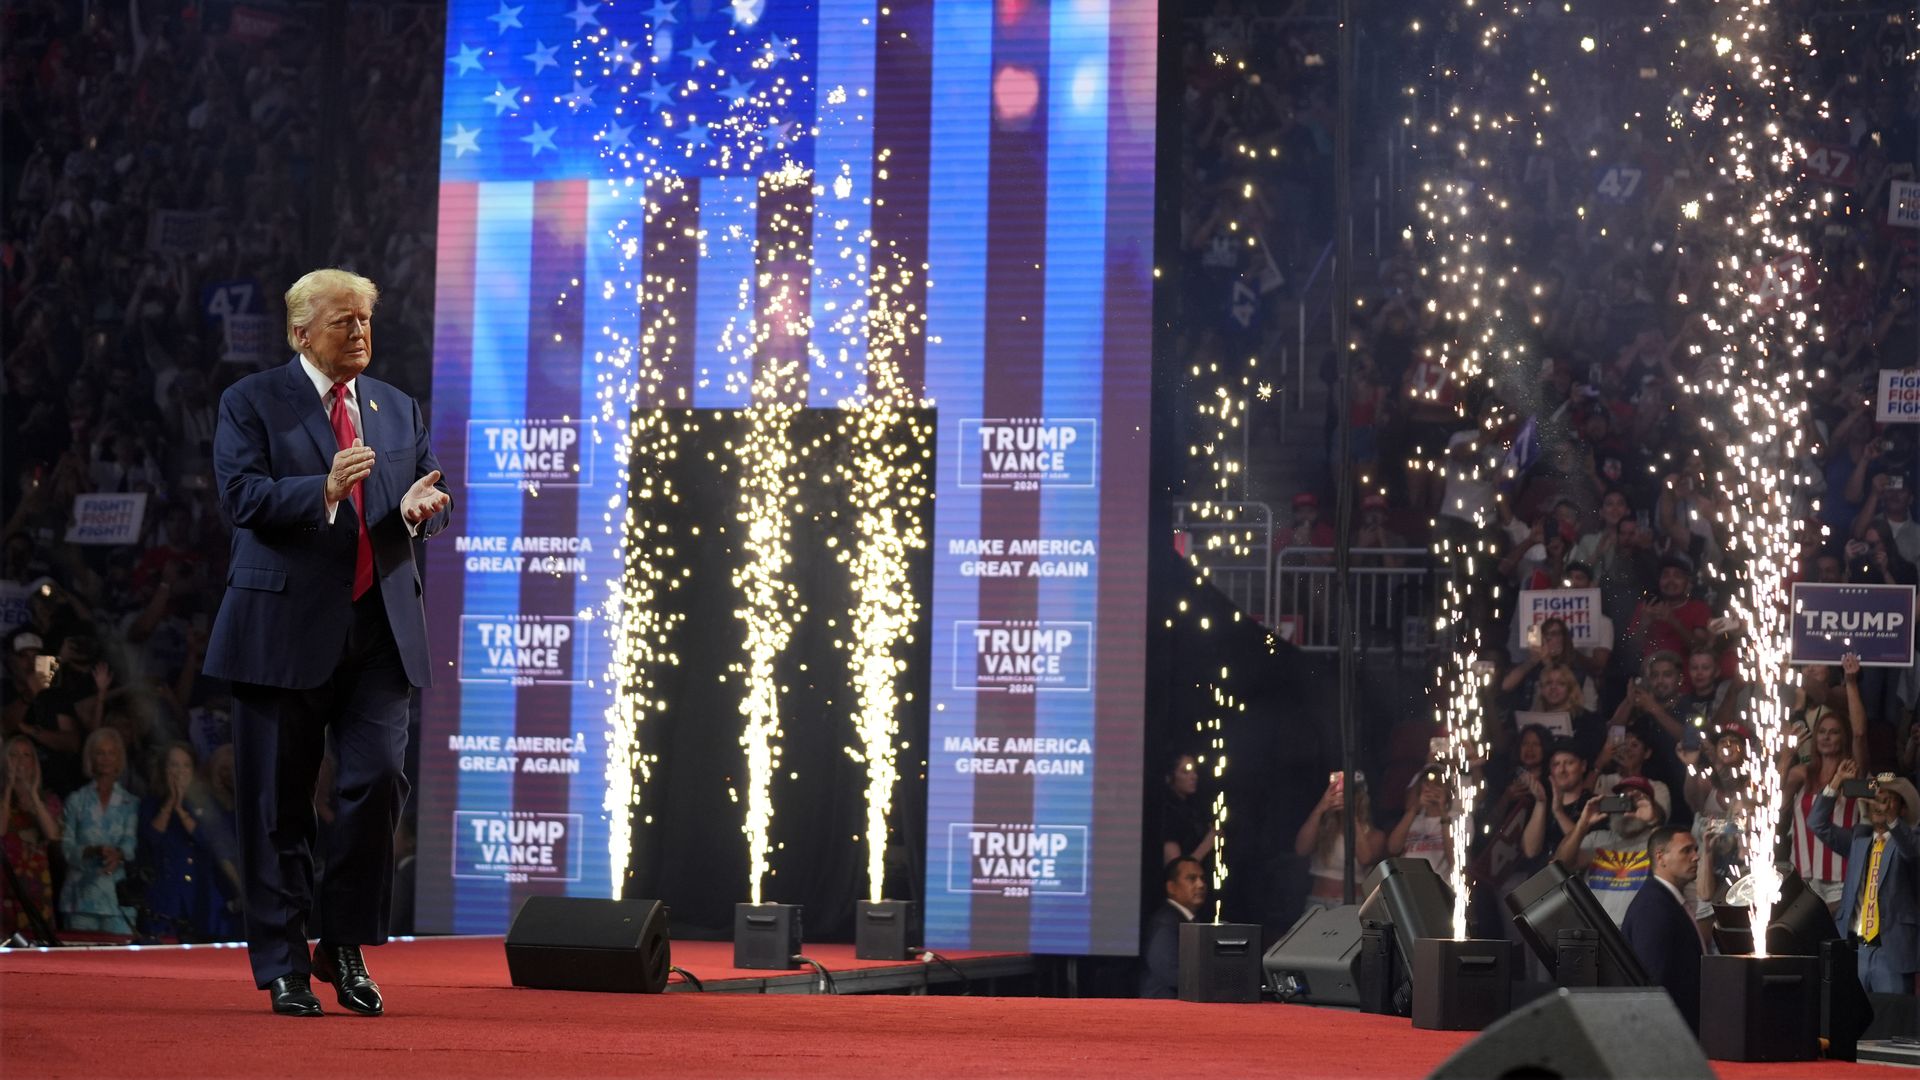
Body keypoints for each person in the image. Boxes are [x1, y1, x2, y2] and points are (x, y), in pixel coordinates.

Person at [202, 269, 452, 1018]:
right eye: (344, 322)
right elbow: (240, 497)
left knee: (377, 783)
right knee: (278, 804)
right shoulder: (250, 402)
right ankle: (281, 961)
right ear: (300, 333)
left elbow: (427, 495)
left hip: (379, 631)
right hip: (281, 632)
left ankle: (341, 943)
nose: (359, 334)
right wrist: (322, 489)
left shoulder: (396, 408)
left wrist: (420, 510)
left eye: (366, 321)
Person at [1809, 762, 1920, 993]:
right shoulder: (1859, 839)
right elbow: (1816, 823)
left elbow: (1911, 851)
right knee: (1851, 1023)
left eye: (1889, 799)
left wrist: (1892, 822)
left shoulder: (1910, 840)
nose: (1881, 804)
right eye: (1877, 798)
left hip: (1891, 954)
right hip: (1854, 951)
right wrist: (1836, 781)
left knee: (1891, 1022)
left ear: (1901, 809)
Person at [136, 743, 239, 941]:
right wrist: (170, 803)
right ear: (164, 769)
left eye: (185, 766)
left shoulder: (209, 806)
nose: (179, 772)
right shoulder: (150, 804)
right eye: (173, 765)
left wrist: (182, 811)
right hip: (164, 898)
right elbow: (151, 839)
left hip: (200, 899)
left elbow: (211, 843)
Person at [1620, 825, 1705, 1031]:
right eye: (1686, 850)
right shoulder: (1654, 907)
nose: (1696, 857)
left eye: (1695, 849)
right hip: (1670, 1030)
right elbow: (1654, 979)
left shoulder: (1664, 901)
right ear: (1661, 858)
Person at [1552, 776, 1666, 925]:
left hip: (1637, 929)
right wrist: (1582, 824)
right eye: (1621, 799)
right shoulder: (1597, 839)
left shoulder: (1657, 841)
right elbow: (1561, 864)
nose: (1627, 807)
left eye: (1634, 801)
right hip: (1594, 928)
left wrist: (1652, 820)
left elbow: (1668, 864)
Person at [58, 727, 138, 935]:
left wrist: (119, 853)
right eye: (100, 753)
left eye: (111, 753)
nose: (105, 758)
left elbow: (131, 843)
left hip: (117, 899)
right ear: (91, 758)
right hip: (80, 897)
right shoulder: (77, 800)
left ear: (119, 758)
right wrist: (92, 851)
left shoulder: (131, 802)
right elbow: (66, 847)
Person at [1, 734, 63, 940]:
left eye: (26, 755)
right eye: (14, 755)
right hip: (5, 891)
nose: (20, 760)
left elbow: (53, 835)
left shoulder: (49, 800)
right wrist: (9, 788)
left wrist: (34, 795)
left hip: (37, 892)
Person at [1296, 772, 1384, 909]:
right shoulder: (1322, 828)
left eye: (1349, 794)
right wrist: (1321, 807)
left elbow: (1366, 858)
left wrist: (1351, 815)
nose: (1343, 798)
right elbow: (1301, 849)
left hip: (1353, 904)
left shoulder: (1374, 834)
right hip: (1318, 902)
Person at [1139, 856, 1206, 998]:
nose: (1200, 884)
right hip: (1163, 1006)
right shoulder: (1166, 923)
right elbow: (1169, 972)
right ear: (1171, 887)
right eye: (1191, 878)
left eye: (1202, 878)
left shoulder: (1185, 920)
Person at [1389, 766, 1453, 875]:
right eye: (1427, 784)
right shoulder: (1412, 819)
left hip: (1437, 885)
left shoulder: (1457, 819)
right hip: (1408, 882)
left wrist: (1443, 812)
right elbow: (1393, 848)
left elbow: (1454, 860)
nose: (1432, 788)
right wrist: (1414, 809)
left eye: (1437, 784)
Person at [1159, 752, 1215, 868]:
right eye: (1186, 772)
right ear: (1170, 777)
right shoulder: (1169, 814)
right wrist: (1207, 844)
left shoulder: (1193, 809)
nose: (1194, 776)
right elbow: (1175, 868)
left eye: (1194, 771)